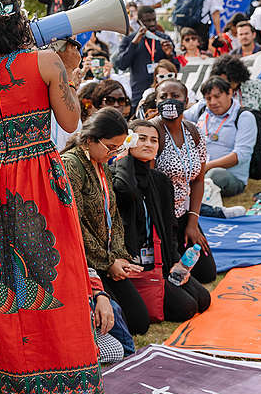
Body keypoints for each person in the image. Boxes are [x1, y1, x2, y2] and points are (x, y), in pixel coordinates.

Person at [0, 0, 107, 394]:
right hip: (36, 174)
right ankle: (47, 370)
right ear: (18, 21)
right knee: (50, 270)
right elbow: (71, 122)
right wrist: (69, 71)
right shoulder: (48, 61)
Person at [112, 121, 211, 323]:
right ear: (129, 140)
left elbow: (169, 227)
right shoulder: (118, 175)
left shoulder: (160, 181)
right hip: (133, 264)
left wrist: (175, 263)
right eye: (141, 138)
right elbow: (127, 191)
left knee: (203, 299)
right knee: (186, 308)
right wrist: (124, 156)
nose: (148, 144)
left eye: (154, 140)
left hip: (159, 260)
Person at [62, 109, 149, 334]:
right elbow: (74, 224)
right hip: (85, 262)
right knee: (127, 324)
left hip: (107, 257)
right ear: (90, 140)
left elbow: (114, 215)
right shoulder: (72, 165)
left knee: (140, 320)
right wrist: (108, 262)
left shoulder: (100, 164)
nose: (114, 153)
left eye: (119, 148)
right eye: (111, 147)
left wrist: (119, 256)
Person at [152, 79, 216, 284]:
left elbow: (198, 179)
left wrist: (192, 222)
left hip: (185, 215)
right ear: (156, 102)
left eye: (175, 96)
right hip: (160, 219)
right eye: (164, 97)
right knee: (174, 278)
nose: (169, 101)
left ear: (186, 101)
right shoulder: (152, 133)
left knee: (207, 274)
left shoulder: (194, 132)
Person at [185, 77, 258, 198]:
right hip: (199, 169)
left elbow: (241, 155)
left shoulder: (244, 116)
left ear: (229, 93)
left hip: (229, 176)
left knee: (214, 175)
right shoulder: (203, 109)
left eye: (217, 96)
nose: (213, 102)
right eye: (208, 98)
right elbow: (181, 119)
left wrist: (206, 167)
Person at [114, 5, 171, 99]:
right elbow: (121, 65)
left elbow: (176, 68)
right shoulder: (129, 39)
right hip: (139, 92)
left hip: (163, 91)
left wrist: (170, 55)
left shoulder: (164, 39)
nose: (152, 23)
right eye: (148, 21)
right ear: (139, 21)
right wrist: (134, 44)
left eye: (154, 19)